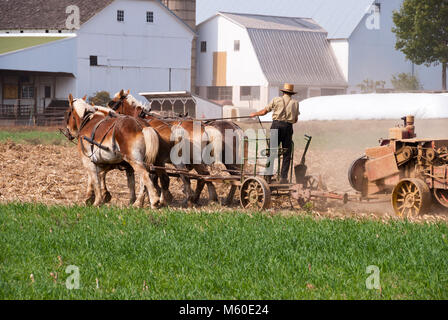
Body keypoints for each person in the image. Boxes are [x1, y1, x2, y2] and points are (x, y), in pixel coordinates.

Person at [250, 83, 300, 184]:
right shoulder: (295, 103)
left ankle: (268, 176)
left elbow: (264, 111)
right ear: (291, 93)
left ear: (283, 92)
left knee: (272, 151)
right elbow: (295, 120)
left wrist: (255, 114)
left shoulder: (276, 100)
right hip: (288, 128)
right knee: (286, 153)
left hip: (276, 126)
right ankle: (283, 178)